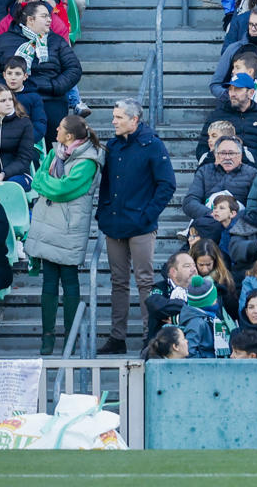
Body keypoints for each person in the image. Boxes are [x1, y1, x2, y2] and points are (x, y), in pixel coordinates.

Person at [97, 101, 177, 354]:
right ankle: (117, 337)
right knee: (118, 282)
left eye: (118, 117)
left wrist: (148, 215)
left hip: (141, 224)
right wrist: (103, 211)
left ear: (134, 120)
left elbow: (167, 184)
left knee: (145, 280)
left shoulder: (152, 144)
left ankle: (149, 335)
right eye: (113, 116)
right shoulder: (113, 144)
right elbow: (106, 183)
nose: (113, 121)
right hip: (114, 223)